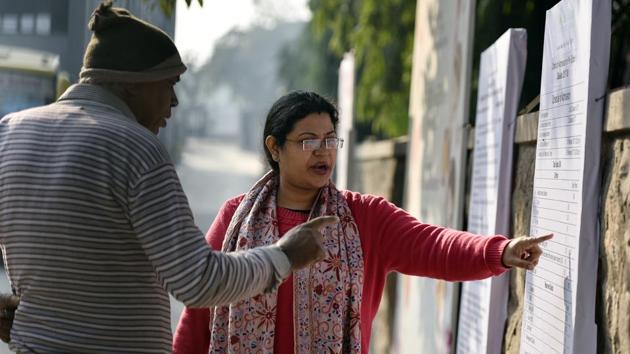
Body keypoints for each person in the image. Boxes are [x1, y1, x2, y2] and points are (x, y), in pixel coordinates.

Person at [0, 3, 334, 353]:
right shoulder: (136, 148)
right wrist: (285, 256)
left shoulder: (8, 135)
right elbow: (198, 281)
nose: (174, 102)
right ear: (133, 85)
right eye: (169, 84)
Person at [172, 91, 553, 354]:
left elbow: (434, 245)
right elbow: (201, 307)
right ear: (275, 147)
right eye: (308, 141)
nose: (323, 151)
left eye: (330, 140)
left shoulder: (364, 218)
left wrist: (500, 251)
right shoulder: (237, 218)